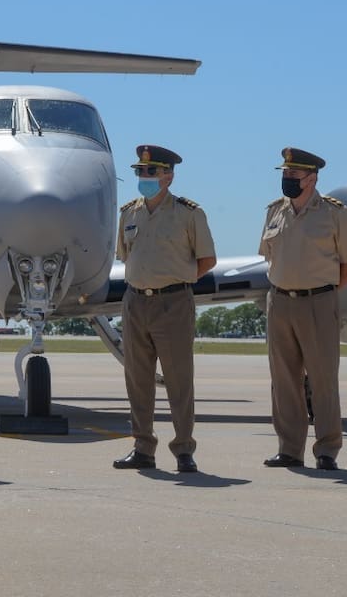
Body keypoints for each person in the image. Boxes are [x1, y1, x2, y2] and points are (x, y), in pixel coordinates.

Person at [112, 145, 216, 474]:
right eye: (140, 172)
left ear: (168, 176)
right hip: (135, 302)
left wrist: (177, 280)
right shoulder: (129, 213)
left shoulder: (189, 214)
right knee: (137, 380)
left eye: (151, 172)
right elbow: (125, 256)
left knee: (178, 379)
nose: (144, 177)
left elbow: (207, 260)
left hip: (174, 303)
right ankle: (142, 446)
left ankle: (184, 449)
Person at [259, 147, 347, 471]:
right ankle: (289, 449)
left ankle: (327, 449)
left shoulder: (334, 213)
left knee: (322, 381)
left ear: (312, 178)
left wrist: (326, 290)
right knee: (284, 381)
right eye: (285, 174)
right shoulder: (275, 210)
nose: (287, 179)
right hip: (279, 303)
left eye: (294, 175)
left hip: (318, 302)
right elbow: (267, 255)